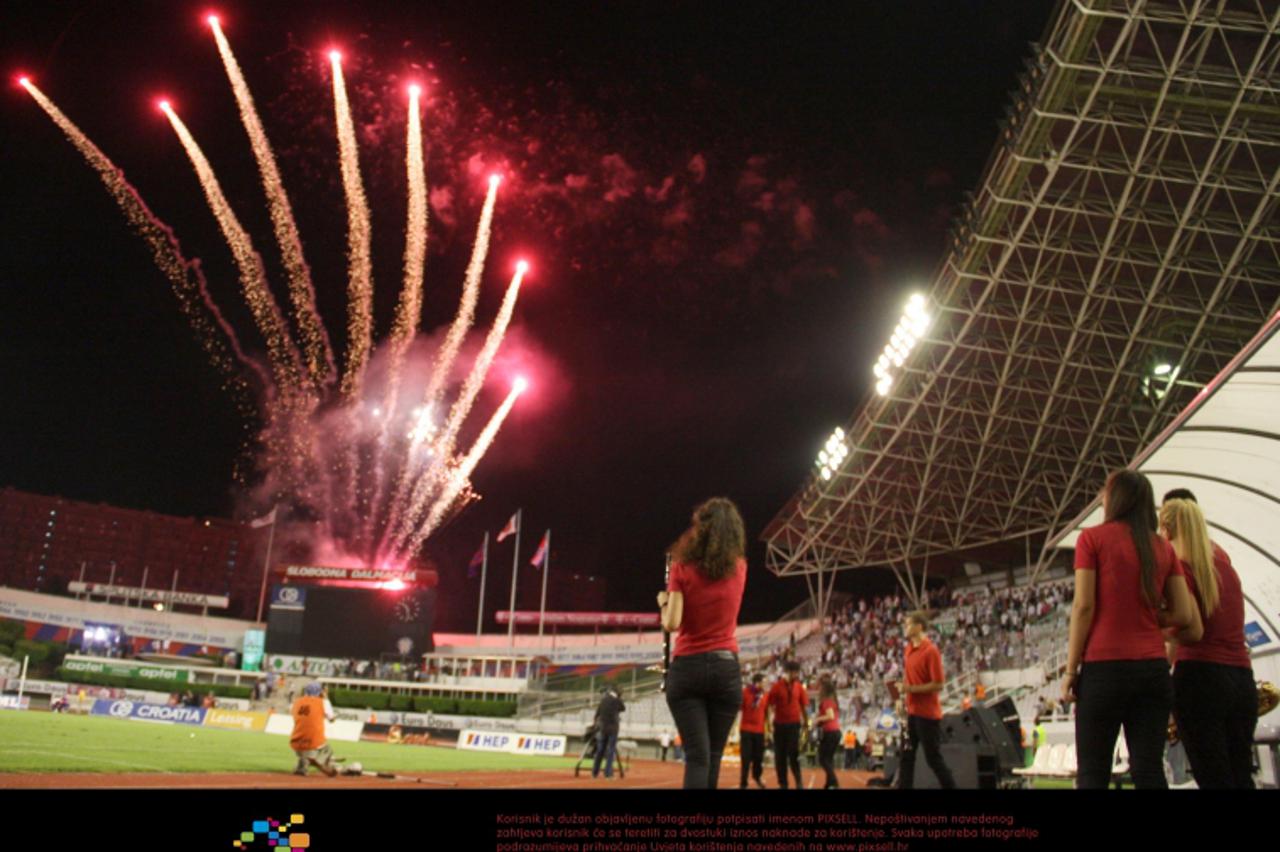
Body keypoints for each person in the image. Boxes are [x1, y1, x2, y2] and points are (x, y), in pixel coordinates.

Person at [1062, 469, 1198, 789]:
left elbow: (1083, 606)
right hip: (1152, 670)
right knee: (1148, 770)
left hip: (1103, 671)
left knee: (1093, 771)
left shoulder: (1092, 538)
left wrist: (1070, 671)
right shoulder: (1162, 548)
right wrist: (1148, 616)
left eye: (1104, 492)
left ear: (1115, 498)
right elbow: (1183, 612)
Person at [1160, 496, 1256, 788]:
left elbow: (1190, 628)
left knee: (1213, 777)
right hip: (1241, 679)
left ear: (1166, 529)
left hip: (1200, 679)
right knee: (1241, 776)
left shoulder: (1181, 568)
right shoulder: (1227, 568)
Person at [657, 497, 748, 789]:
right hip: (725, 668)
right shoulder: (740, 567)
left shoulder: (682, 567)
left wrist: (663, 601)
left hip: (689, 668)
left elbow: (671, 623)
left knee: (697, 758)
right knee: (713, 756)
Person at [895, 611, 955, 789]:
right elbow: (908, 679)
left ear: (919, 626)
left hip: (927, 716)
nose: (905, 628)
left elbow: (938, 684)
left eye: (908, 624)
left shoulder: (931, 651)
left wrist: (910, 689)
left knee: (933, 759)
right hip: (910, 714)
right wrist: (902, 700)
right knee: (906, 757)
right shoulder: (908, 650)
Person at [768, 660, 809, 789]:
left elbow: (803, 706)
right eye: (794, 672)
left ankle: (798, 781)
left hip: (794, 725)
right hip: (779, 725)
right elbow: (769, 705)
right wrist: (769, 721)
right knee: (780, 756)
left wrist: (806, 723)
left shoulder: (799, 687)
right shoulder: (776, 687)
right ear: (787, 672)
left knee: (794, 754)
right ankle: (783, 783)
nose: (796, 675)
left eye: (797, 672)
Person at [290, 682, 337, 777]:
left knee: (304, 752)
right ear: (320, 692)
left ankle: (302, 766)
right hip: (314, 742)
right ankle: (317, 761)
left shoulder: (296, 702)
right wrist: (326, 697)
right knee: (328, 750)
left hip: (296, 741)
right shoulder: (323, 702)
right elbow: (332, 720)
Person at [739, 672, 767, 788]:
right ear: (758, 682)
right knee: (746, 758)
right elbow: (740, 709)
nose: (766, 684)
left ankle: (757, 776)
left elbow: (767, 712)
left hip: (760, 731)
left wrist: (769, 729)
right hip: (746, 730)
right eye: (764, 681)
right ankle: (743, 781)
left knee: (758, 758)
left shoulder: (765, 695)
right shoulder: (745, 692)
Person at [591, 686, 626, 779]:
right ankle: (608, 773)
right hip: (613, 728)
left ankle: (595, 772)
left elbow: (597, 714)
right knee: (610, 751)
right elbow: (623, 708)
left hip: (603, 728)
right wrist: (619, 699)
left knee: (600, 750)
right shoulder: (616, 700)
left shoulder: (603, 700)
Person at [814, 676, 841, 789]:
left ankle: (834, 782)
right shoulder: (833, 701)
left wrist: (818, 719)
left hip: (830, 732)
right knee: (828, 759)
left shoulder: (827, 701)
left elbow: (830, 716)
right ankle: (829, 783)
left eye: (820, 688)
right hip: (835, 732)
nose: (818, 690)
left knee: (823, 759)